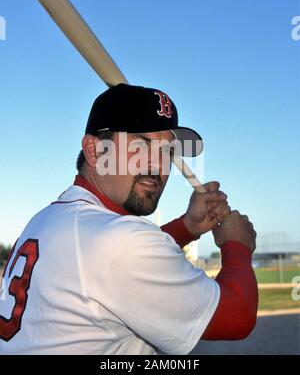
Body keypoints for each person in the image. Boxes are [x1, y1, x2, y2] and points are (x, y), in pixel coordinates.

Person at [0, 84, 257, 355]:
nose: (158, 166)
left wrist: (187, 227)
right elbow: (237, 316)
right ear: (94, 150)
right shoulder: (115, 242)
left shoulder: (48, 219)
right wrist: (236, 244)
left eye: (168, 151)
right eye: (141, 144)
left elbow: (111, 264)